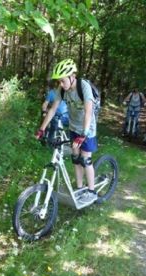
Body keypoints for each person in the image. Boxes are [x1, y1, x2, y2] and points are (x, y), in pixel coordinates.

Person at [35, 59, 98, 206]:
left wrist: (84, 134)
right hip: (73, 127)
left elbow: (89, 112)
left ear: (72, 76)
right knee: (75, 158)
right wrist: (41, 129)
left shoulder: (84, 87)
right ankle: (80, 187)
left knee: (85, 159)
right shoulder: (62, 90)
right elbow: (52, 110)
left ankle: (92, 191)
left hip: (87, 129)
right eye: (59, 82)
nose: (61, 85)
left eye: (63, 81)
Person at [41, 80, 69, 144]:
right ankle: (50, 143)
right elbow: (45, 103)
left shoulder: (67, 92)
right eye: (59, 83)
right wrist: (44, 111)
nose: (61, 85)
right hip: (55, 114)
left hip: (66, 114)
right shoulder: (51, 93)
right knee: (54, 125)